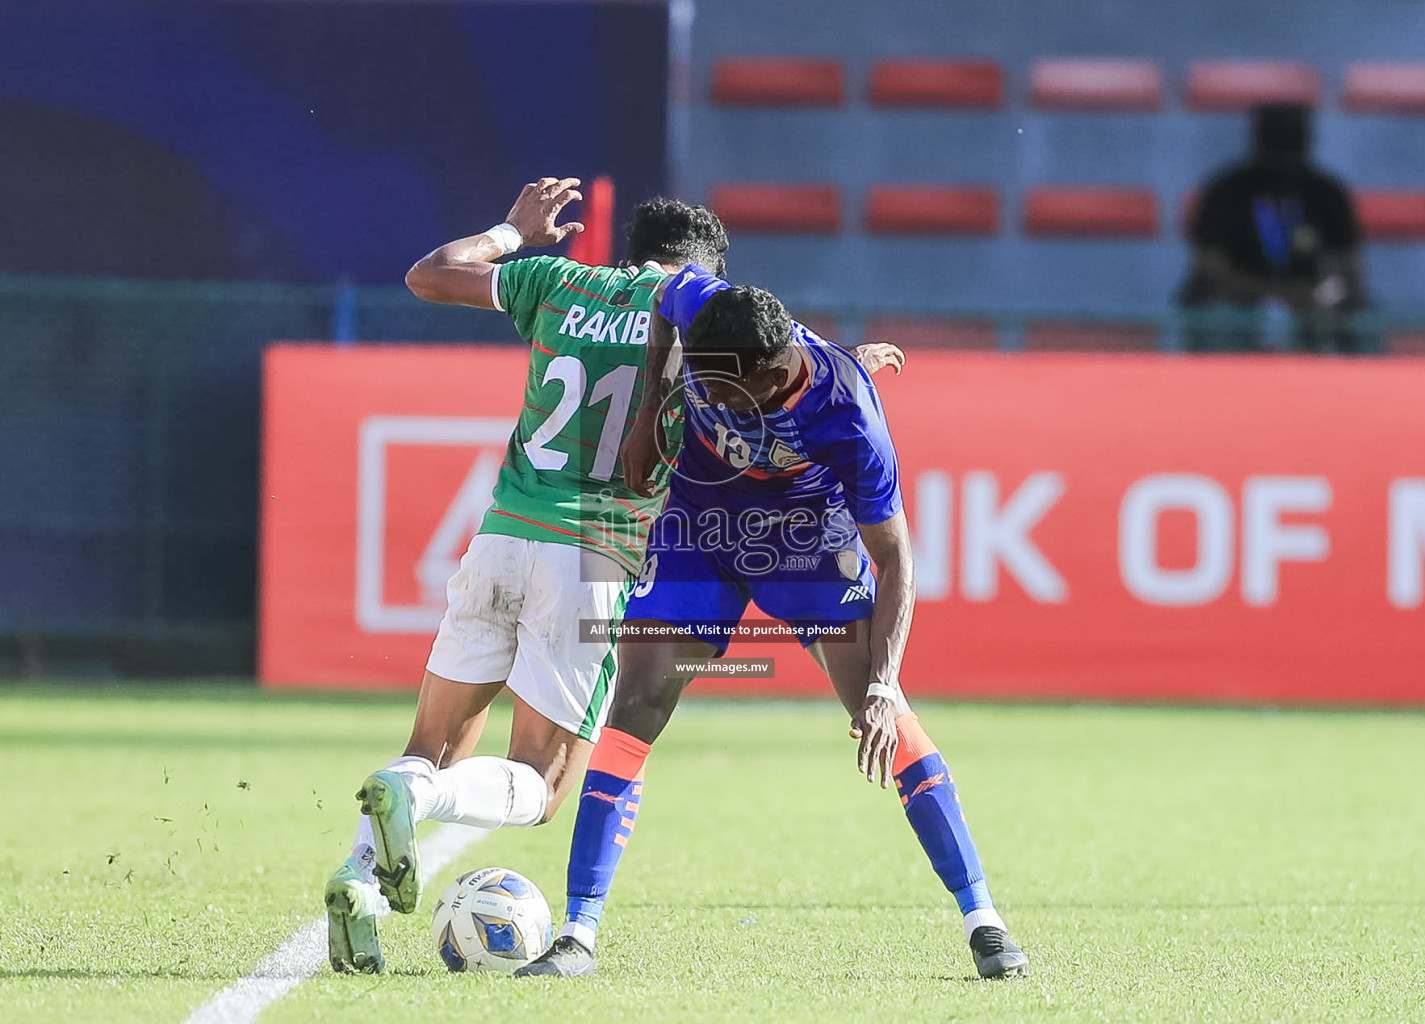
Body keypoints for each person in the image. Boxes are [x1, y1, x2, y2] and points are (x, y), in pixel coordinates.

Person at [324, 178, 904, 973]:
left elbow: (430, 274)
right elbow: (780, 382)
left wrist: (508, 230)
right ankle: (418, 802)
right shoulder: (704, 326)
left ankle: (358, 877)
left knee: (432, 742)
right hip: (593, 557)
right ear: (701, 275)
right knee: (544, 778)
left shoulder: (562, 282)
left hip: (500, 535)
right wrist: (851, 366)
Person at [515, 266, 1029, 981]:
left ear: (773, 370)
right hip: (698, 526)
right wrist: (652, 406)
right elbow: (664, 301)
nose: (710, 399)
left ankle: (985, 921)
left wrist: (884, 685)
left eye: (722, 391)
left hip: (807, 541)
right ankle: (577, 934)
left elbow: (898, 561)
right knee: (635, 704)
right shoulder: (706, 310)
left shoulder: (848, 414)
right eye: (702, 381)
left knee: (881, 715)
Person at [1178, 102, 1369, 353]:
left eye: (1292, 139)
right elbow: (1209, 273)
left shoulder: (1328, 195)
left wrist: (1311, 296)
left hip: (1313, 303)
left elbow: (1346, 276)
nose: (1283, 151)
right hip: (1237, 304)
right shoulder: (1225, 192)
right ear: (1257, 140)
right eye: (1275, 139)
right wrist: (1266, 296)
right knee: (1214, 311)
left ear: (1306, 141)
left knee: (1346, 309)